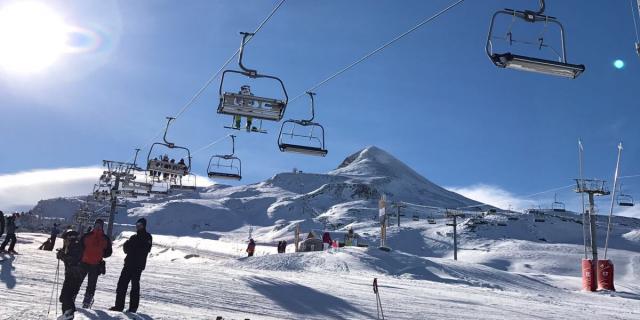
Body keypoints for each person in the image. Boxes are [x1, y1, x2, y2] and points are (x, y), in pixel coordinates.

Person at [110, 218, 152, 313]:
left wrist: (132, 246)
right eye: (137, 224)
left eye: (140, 224)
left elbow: (145, 249)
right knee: (121, 284)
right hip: (128, 264)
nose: (138, 226)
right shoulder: (133, 237)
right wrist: (128, 245)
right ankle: (119, 306)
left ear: (144, 225)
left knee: (135, 287)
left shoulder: (147, 237)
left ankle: (133, 308)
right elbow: (126, 250)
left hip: (137, 266)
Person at [79, 219, 113, 309]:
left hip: (95, 264)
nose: (98, 227)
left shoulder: (105, 238)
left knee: (91, 284)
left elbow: (109, 252)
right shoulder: (87, 236)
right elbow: (80, 247)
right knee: (78, 281)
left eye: (99, 225)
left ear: (102, 226)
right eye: (96, 225)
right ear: (94, 225)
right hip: (84, 262)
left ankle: (87, 301)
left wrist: (102, 254)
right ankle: (72, 297)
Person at [57, 229, 84, 320]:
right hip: (70, 275)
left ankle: (69, 314)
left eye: (65, 239)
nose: (64, 241)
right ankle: (67, 314)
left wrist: (63, 256)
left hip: (75, 276)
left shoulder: (76, 246)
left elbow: (73, 260)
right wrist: (61, 254)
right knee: (64, 297)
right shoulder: (71, 246)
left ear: (70, 238)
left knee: (66, 296)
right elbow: (66, 256)